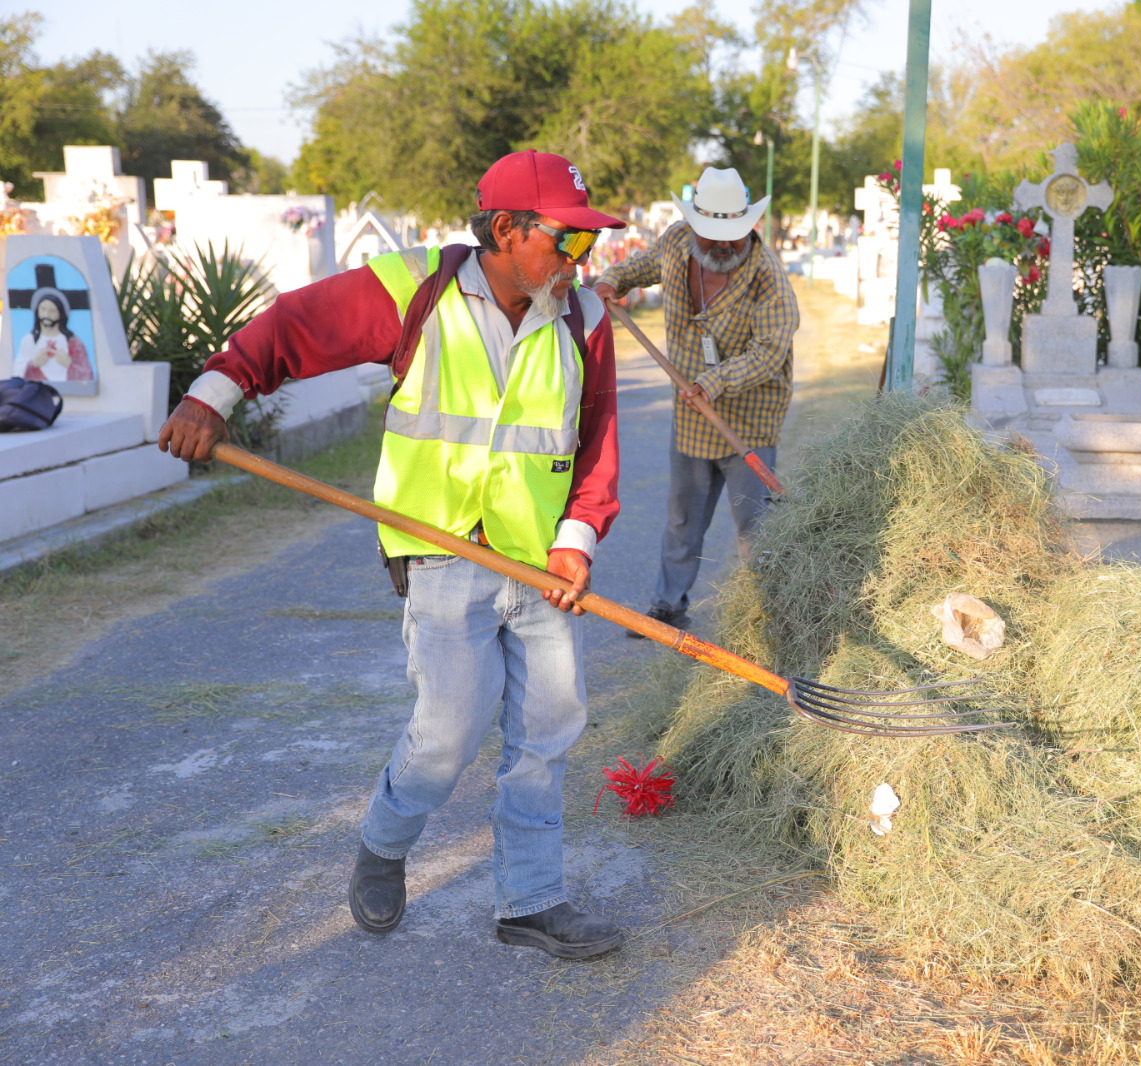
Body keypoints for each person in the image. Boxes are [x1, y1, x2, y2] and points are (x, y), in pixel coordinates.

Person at [157, 150, 629, 959]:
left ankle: (530, 900)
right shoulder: (417, 290)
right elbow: (300, 326)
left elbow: (597, 445)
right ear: (508, 230)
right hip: (442, 555)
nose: (581, 260)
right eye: (568, 240)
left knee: (548, 728)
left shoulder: (580, 318)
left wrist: (576, 540)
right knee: (447, 733)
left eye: (588, 243)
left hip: (541, 566)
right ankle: (382, 842)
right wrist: (215, 391)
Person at [593, 166, 800, 630]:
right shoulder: (675, 242)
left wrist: (715, 381)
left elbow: (770, 350)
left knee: (755, 531)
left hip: (749, 420)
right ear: (695, 228)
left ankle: (770, 616)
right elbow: (640, 266)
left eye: (733, 236)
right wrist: (612, 280)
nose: (724, 246)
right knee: (683, 520)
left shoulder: (766, 276)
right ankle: (668, 606)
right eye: (713, 237)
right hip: (691, 418)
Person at [16, 291, 93, 383]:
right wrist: (33, 364)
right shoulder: (29, 340)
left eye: (52, 311)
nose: (46, 315)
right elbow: (16, 374)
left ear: (60, 313)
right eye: (43, 309)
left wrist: (68, 364)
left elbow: (88, 376)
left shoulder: (72, 342)